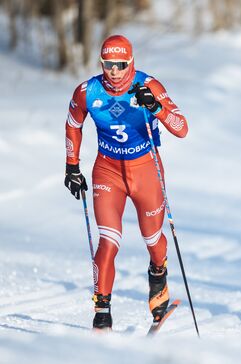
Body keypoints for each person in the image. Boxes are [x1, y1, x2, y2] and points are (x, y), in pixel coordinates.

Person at [64, 35, 189, 330]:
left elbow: (182, 128)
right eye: (108, 64)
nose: (115, 71)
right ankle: (102, 313)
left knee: (152, 238)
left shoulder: (149, 86)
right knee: (108, 240)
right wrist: (71, 167)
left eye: (121, 64)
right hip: (107, 171)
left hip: (146, 169)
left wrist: (155, 107)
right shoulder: (87, 92)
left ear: (131, 62)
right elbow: (73, 124)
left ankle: (158, 273)